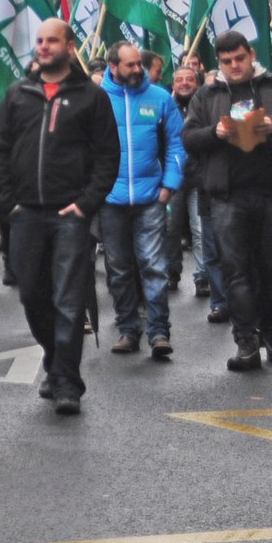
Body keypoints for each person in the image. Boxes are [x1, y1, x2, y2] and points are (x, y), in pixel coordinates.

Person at [0, 19, 119, 415]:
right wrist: (8, 204)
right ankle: (54, 358)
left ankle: (67, 381)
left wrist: (86, 204)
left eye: (53, 41)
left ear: (69, 46)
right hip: (25, 214)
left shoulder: (91, 97)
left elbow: (107, 157)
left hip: (70, 215)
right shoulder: (18, 94)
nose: (44, 47)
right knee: (32, 295)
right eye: (40, 41)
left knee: (68, 299)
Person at [182, 31, 272, 371]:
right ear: (219, 62)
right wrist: (216, 133)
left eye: (239, 59)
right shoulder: (207, 94)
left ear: (250, 54)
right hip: (228, 197)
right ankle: (246, 341)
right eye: (226, 61)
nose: (234, 66)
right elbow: (189, 138)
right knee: (235, 271)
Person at [99, 43, 185, 359]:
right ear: (112, 66)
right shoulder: (98, 99)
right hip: (110, 200)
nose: (138, 69)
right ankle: (128, 330)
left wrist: (169, 186)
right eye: (130, 65)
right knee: (119, 269)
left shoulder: (160, 98)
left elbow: (178, 144)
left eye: (139, 64)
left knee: (154, 266)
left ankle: (159, 332)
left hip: (151, 197)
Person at [163, 67, 226, 319]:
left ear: (197, 83)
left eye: (190, 79)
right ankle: (172, 271)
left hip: (200, 177)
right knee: (170, 228)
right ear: (173, 84)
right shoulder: (166, 106)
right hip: (174, 178)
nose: (185, 83)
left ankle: (202, 277)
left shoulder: (204, 105)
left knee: (201, 231)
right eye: (179, 79)